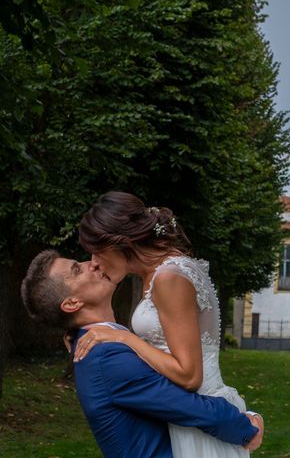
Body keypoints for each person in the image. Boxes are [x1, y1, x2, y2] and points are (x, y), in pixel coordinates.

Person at [20, 250, 264, 458]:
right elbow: (190, 407)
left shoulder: (104, 343)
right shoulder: (105, 356)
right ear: (72, 303)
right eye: (77, 270)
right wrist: (247, 424)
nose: (92, 263)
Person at [75, 191, 255, 458]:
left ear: (119, 242)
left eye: (95, 252)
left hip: (200, 419)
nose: (94, 263)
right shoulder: (162, 271)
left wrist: (126, 339)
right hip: (188, 415)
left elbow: (189, 376)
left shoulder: (168, 277)